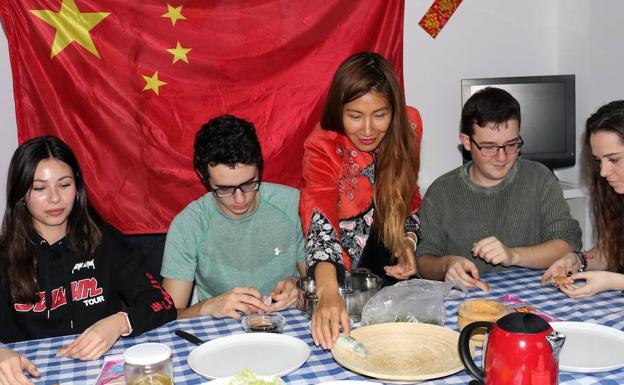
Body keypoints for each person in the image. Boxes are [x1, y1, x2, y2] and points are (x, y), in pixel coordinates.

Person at [0, 136, 176, 385]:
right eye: (39, 188)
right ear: (21, 194)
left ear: (77, 187)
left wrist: (119, 322)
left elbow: (163, 303)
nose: (55, 198)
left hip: (101, 374)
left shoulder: (106, 241)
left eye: (64, 184)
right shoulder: (4, 254)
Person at [299, 52, 422, 349]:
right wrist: (328, 292)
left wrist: (407, 244)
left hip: (383, 270)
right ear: (338, 110)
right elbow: (319, 219)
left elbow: (408, 198)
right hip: (332, 274)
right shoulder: (322, 145)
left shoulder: (410, 126)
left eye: (380, 115)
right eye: (355, 116)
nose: (368, 130)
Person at [416, 87, 582, 288]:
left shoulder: (539, 178)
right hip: (468, 301)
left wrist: (513, 255)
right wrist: (446, 265)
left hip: (533, 298)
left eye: (511, 145)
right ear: (467, 142)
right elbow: (423, 261)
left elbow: (567, 242)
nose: (502, 157)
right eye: (489, 147)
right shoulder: (441, 192)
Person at [161, 115, 305, 320]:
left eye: (249, 184)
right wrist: (208, 307)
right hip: (220, 331)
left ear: (260, 169)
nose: (240, 199)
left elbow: (323, 283)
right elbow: (167, 316)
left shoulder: (293, 205)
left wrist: (300, 285)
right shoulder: (188, 225)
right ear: (204, 179)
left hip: (289, 322)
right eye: (225, 189)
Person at [541, 101, 624, 296]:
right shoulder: (617, 196)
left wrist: (613, 281)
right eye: (598, 160)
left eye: (613, 159)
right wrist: (577, 260)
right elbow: (608, 251)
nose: (603, 171)